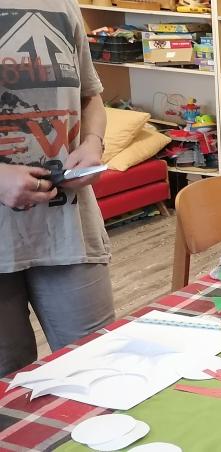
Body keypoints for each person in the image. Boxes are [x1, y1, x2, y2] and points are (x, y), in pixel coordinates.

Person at [0, 3, 114, 376]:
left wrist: (93, 143)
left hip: (69, 228)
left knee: (99, 371)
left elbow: (90, 96)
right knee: (10, 391)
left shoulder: (63, 5)